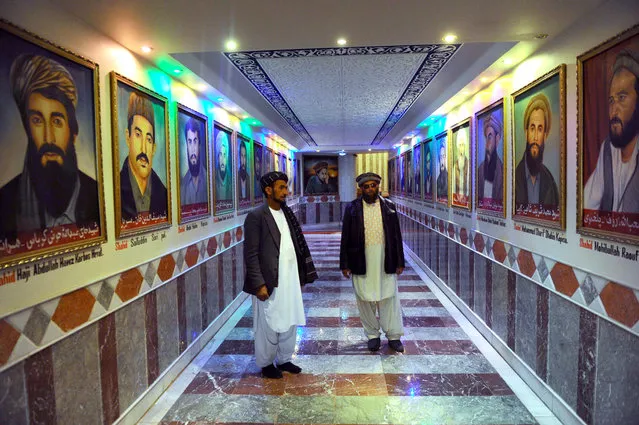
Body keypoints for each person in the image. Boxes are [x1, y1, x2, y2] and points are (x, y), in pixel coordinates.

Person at [0, 54, 99, 241]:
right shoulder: (5, 202)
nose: (48, 138)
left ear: (73, 132)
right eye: (37, 121)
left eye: (57, 121)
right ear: (27, 129)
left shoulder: (97, 196)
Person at [243, 171, 317, 378]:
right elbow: (250, 254)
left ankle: (284, 359)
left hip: (290, 279)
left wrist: (300, 276)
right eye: (282, 187)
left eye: (286, 187)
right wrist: (258, 284)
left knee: (290, 318)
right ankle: (266, 364)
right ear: (268, 190)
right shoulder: (256, 216)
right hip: (269, 281)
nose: (286, 191)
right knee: (267, 323)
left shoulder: (287, 214)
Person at [340, 172, 406, 353]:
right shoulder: (352, 209)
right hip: (361, 259)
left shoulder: (389, 207)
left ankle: (393, 336)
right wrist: (344, 264)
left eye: (373, 185)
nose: (370, 189)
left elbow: (396, 237)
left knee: (389, 297)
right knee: (364, 298)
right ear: (360, 189)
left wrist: (400, 261)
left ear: (378, 186)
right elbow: (345, 237)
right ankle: (372, 336)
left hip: (386, 259)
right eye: (366, 186)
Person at [584, 50, 639, 213]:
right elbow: (587, 205)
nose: (614, 110)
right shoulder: (608, 149)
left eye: (622, 98)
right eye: (611, 101)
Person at [119, 91, 167, 221]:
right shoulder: (116, 191)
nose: (143, 149)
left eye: (149, 139)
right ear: (128, 137)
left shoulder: (164, 195)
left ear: (154, 148)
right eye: (138, 135)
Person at [514, 93, 559, 208]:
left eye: (540, 129)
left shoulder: (551, 184)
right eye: (532, 128)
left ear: (545, 135)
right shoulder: (513, 179)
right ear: (526, 132)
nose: (535, 137)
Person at [179, 118, 207, 206]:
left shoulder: (208, 181)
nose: (193, 148)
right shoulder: (183, 186)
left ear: (199, 144)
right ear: (186, 145)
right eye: (189, 142)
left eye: (195, 141)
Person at [478, 113, 504, 203]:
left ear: (497, 139)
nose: (486, 144)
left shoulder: (503, 173)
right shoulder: (480, 170)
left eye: (490, 137)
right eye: (486, 138)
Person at [215, 130, 232, 201]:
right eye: (220, 155)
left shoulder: (231, 181)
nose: (222, 159)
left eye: (224, 155)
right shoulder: (213, 180)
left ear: (227, 158)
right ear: (217, 157)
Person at [453, 129, 470, 199]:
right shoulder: (455, 165)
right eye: (460, 145)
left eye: (463, 145)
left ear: (465, 146)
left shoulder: (468, 164)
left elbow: (469, 185)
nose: (461, 147)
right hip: (457, 198)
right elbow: (453, 186)